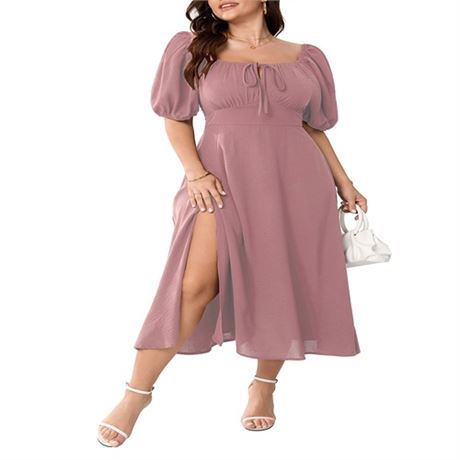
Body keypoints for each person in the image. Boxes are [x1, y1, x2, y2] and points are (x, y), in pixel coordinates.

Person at [97, 0, 367, 447]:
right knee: (194, 285)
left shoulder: (307, 57)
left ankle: (264, 385)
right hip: (217, 181)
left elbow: (312, 127)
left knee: (279, 283)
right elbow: (176, 116)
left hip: (298, 184)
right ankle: (136, 394)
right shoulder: (192, 48)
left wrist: (345, 183)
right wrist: (195, 174)